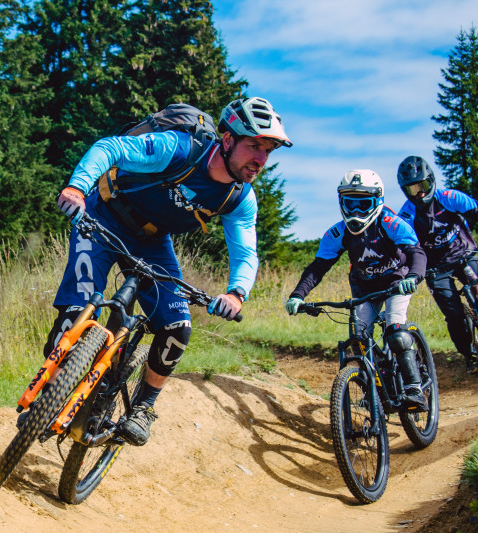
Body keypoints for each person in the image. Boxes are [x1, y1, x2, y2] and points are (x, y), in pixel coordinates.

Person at [44, 97, 292, 446]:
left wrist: (236, 293)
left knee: (177, 326)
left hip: (152, 242)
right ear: (227, 140)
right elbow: (110, 148)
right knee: (78, 312)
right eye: (254, 146)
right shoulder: (178, 149)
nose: (261, 160)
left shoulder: (239, 197)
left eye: (269, 151)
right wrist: (76, 188)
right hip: (102, 215)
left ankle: (143, 408)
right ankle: (50, 395)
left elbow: (246, 250)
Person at [285, 170, 428, 410]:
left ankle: (415, 389)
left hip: (397, 280)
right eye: (351, 204)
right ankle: (375, 390)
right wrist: (298, 295)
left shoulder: (390, 222)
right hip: (364, 286)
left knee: (395, 329)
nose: (357, 211)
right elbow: (318, 268)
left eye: (364, 204)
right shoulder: (337, 233)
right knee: (359, 339)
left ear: (378, 201)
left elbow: (416, 252)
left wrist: (413, 276)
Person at [396, 155, 478, 374]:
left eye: (422, 185)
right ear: (405, 191)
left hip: (465, 253)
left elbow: (475, 212)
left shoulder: (449, 197)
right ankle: (470, 355)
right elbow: (404, 247)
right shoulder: (407, 215)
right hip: (435, 267)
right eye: (412, 189)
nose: (420, 193)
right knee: (453, 314)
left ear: (431, 181)